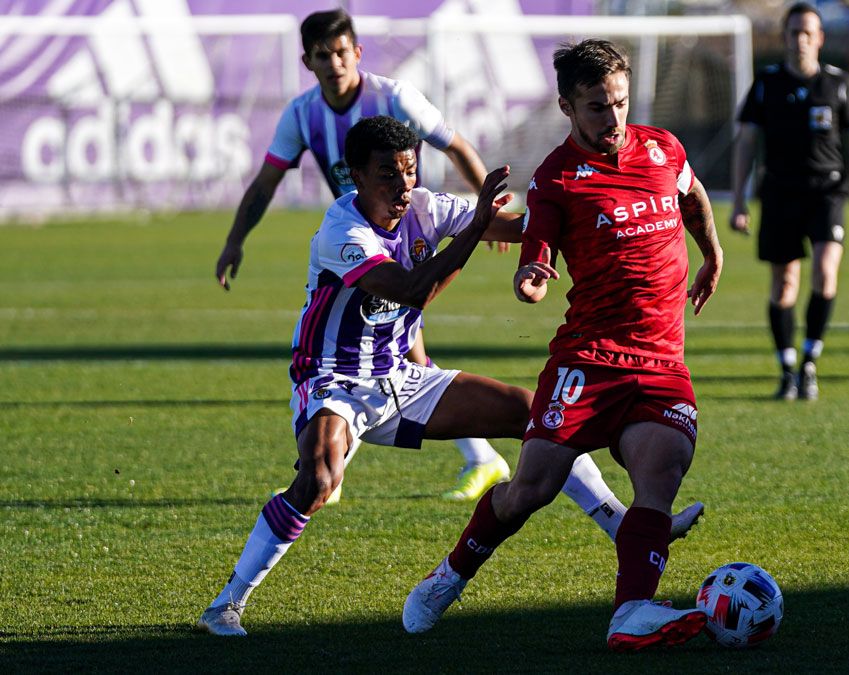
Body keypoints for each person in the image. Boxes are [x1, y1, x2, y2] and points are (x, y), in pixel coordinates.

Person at [197, 116, 700, 637]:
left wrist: (584, 208)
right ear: (355, 176)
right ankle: (227, 603)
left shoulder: (424, 206)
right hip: (334, 378)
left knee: (537, 416)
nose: (402, 186)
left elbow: (522, 225)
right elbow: (412, 288)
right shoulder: (341, 232)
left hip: (401, 375)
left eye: (410, 171)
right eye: (387, 175)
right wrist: (477, 226)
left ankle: (619, 522)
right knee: (320, 478)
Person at [402, 40, 724, 652]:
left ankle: (631, 612)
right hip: (590, 360)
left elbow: (693, 194)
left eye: (621, 103)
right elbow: (537, 256)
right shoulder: (556, 178)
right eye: (598, 108)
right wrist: (530, 281)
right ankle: (448, 577)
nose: (614, 119)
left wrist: (712, 253)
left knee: (659, 473)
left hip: (660, 363)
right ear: (567, 108)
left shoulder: (662, 148)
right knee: (532, 490)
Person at [212, 8, 503, 503]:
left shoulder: (394, 97)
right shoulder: (302, 113)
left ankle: (337, 464)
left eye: (342, 52)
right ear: (308, 61)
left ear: (358, 53)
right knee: (393, 361)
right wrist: (235, 238)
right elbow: (265, 182)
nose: (334, 63)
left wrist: (488, 210)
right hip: (361, 246)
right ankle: (345, 463)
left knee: (394, 361)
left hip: (410, 239)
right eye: (323, 56)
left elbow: (456, 145)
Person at [729, 1, 849, 401]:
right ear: (784, 38)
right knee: (784, 285)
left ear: (820, 39)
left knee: (826, 272)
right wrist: (741, 201)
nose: (800, 39)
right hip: (779, 193)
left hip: (827, 192)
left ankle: (810, 361)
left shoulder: (838, 83)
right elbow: (745, 142)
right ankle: (787, 366)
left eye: (808, 32)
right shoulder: (767, 83)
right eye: (794, 32)